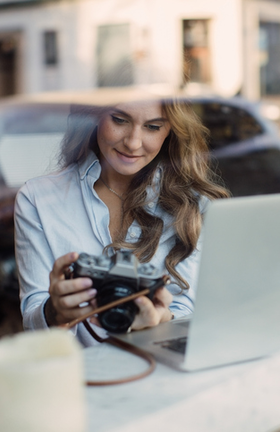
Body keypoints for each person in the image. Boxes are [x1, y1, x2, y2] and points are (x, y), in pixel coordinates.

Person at [14, 95, 229, 347]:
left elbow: (192, 312)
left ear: (171, 129)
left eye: (153, 127)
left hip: (161, 372)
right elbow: (33, 316)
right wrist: (54, 311)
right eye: (119, 120)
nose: (133, 143)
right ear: (93, 116)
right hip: (80, 376)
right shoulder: (37, 199)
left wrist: (163, 319)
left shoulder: (194, 205)